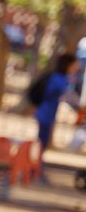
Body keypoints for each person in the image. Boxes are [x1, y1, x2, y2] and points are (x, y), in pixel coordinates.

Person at [34, 53, 82, 181]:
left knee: (42, 144)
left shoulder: (59, 77)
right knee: (41, 144)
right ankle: (36, 171)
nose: (76, 67)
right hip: (45, 114)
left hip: (46, 113)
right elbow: (68, 95)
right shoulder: (60, 79)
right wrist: (80, 106)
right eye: (74, 65)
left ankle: (37, 170)